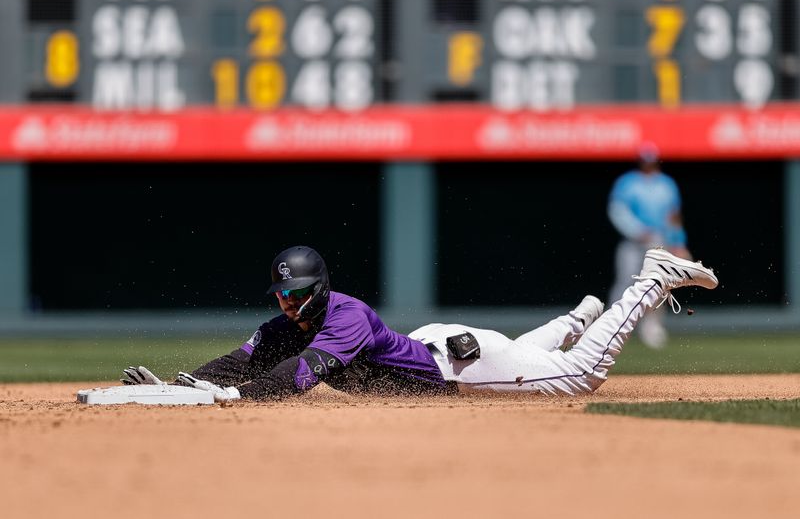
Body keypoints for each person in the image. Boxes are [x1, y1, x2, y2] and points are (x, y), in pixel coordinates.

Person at [122, 244, 718, 400]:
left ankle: (651, 280)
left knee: (582, 377)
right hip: (441, 346)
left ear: (319, 288)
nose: (286, 302)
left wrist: (232, 397)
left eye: (296, 292)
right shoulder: (291, 321)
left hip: (456, 367)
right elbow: (241, 360)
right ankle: (577, 316)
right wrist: (181, 387)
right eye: (280, 293)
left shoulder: (343, 318)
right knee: (533, 361)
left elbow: (299, 380)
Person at [608, 142, 691, 349]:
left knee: (656, 285)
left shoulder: (666, 184)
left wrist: (678, 242)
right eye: (645, 161)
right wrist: (635, 230)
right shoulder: (627, 182)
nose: (648, 164)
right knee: (624, 282)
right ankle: (611, 328)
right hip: (633, 240)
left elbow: (673, 216)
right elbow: (617, 210)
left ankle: (651, 328)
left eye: (651, 161)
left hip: (658, 240)